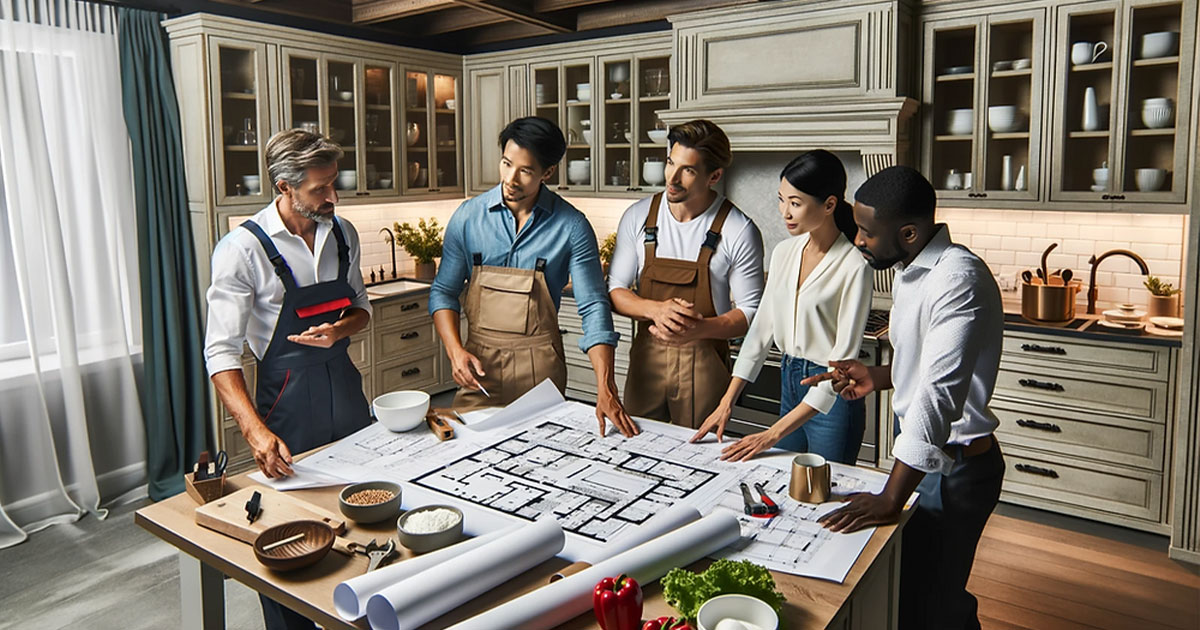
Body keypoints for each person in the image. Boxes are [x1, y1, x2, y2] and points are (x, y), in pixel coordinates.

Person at [807, 165, 1005, 630]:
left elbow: (938, 398)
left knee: (932, 606)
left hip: (955, 468)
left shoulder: (958, 279)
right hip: (929, 461)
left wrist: (890, 496)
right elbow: (926, 363)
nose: (857, 240)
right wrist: (878, 375)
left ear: (909, 232)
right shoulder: (913, 268)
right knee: (912, 590)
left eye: (866, 232)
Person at [204, 129, 372, 630]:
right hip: (286, 405)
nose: (333, 197)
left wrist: (339, 328)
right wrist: (255, 432)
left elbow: (361, 310)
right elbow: (220, 352)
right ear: (284, 186)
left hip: (346, 390)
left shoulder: (343, 233)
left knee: (364, 519)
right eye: (320, 188)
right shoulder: (242, 250)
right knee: (287, 538)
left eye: (333, 183)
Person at [430, 116, 637, 437]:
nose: (511, 179)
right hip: (479, 368)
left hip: (541, 371)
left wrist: (605, 386)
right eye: (506, 164)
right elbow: (443, 292)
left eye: (525, 171)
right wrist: (455, 351)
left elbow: (594, 307)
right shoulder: (467, 218)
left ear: (548, 172)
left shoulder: (572, 226)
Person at [690, 149, 872, 463]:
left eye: (795, 203)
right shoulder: (784, 252)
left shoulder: (855, 265)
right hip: (790, 383)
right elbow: (761, 332)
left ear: (829, 205)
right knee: (785, 485)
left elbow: (842, 363)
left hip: (832, 397)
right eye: (781, 199)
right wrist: (726, 402)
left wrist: (772, 433)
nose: (784, 212)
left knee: (825, 494)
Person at [608, 120, 764, 429]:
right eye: (670, 163)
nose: (672, 179)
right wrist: (657, 310)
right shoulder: (638, 217)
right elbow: (616, 289)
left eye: (688, 170)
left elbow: (751, 312)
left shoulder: (738, 229)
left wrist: (700, 328)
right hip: (645, 364)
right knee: (637, 447)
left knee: (700, 456)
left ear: (714, 176)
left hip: (704, 366)